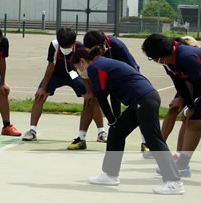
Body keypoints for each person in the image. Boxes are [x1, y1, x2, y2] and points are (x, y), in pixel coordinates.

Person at [73, 47, 184, 195]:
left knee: (153, 139)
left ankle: (174, 181)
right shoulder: (101, 64)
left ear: (82, 62)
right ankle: (110, 174)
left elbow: (100, 97)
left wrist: (112, 119)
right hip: (141, 99)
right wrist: (114, 121)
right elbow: (111, 94)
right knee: (117, 131)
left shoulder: (94, 67)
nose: (80, 72)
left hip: (144, 99)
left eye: (77, 68)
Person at [22, 28, 106, 150]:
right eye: (63, 45)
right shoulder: (54, 45)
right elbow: (51, 66)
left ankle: (101, 132)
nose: (65, 48)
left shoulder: (81, 48)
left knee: (92, 98)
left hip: (74, 75)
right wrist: (44, 88)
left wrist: (89, 91)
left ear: (74, 42)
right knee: (40, 95)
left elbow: (84, 70)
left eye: (68, 46)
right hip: (56, 75)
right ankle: (32, 130)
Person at [83, 30, 152, 157]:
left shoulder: (118, 46)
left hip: (127, 85)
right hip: (105, 82)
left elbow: (134, 67)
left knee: (140, 114)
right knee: (114, 122)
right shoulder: (85, 53)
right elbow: (79, 71)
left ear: (104, 44)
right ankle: (86, 136)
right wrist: (89, 90)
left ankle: (146, 142)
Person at [142, 33, 201, 178]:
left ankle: (181, 165)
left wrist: (192, 105)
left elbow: (198, 83)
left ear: (160, 55)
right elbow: (180, 83)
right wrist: (188, 104)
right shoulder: (169, 61)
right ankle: (182, 163)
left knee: (195, 122)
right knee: (188, 118)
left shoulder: (186, 57)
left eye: (153, 58)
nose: (155, 61)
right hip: (196, 87)